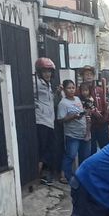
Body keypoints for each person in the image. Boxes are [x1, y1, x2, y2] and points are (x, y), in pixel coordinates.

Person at [34, 57, 61, 185]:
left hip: (49, 121)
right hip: (41, 120)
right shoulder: (36, 83)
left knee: (51, 148)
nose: (47, 74)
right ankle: (41, 174)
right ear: (39, 72)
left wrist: (57, 93)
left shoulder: (48, 85)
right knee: (43, 148)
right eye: (44, 71)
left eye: (49, 71)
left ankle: (46, 173)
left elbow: (50, 102)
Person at [57, 80, 90, 183]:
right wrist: (72, 116)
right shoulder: (63, 103)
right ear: (65, 90)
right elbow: (60, 120)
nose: (71, 90)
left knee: (85, 157)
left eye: (73, 88)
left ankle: (82, 177)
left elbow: (81, 114)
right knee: (70, 156)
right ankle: (67, 177)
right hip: (72, 135)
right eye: (69, 88)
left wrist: (84, 115)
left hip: (84, 133)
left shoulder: (77, 99)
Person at [78, 66, 109, 155]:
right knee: (90, 151)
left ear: (94, 76)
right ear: (82, 76)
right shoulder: (78, 92)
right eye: (86, 74)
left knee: (106, 150)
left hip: (102, 124)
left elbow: (108, 106)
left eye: (90, 74)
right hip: (88, 126)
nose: (88, 76)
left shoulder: (100, 90)